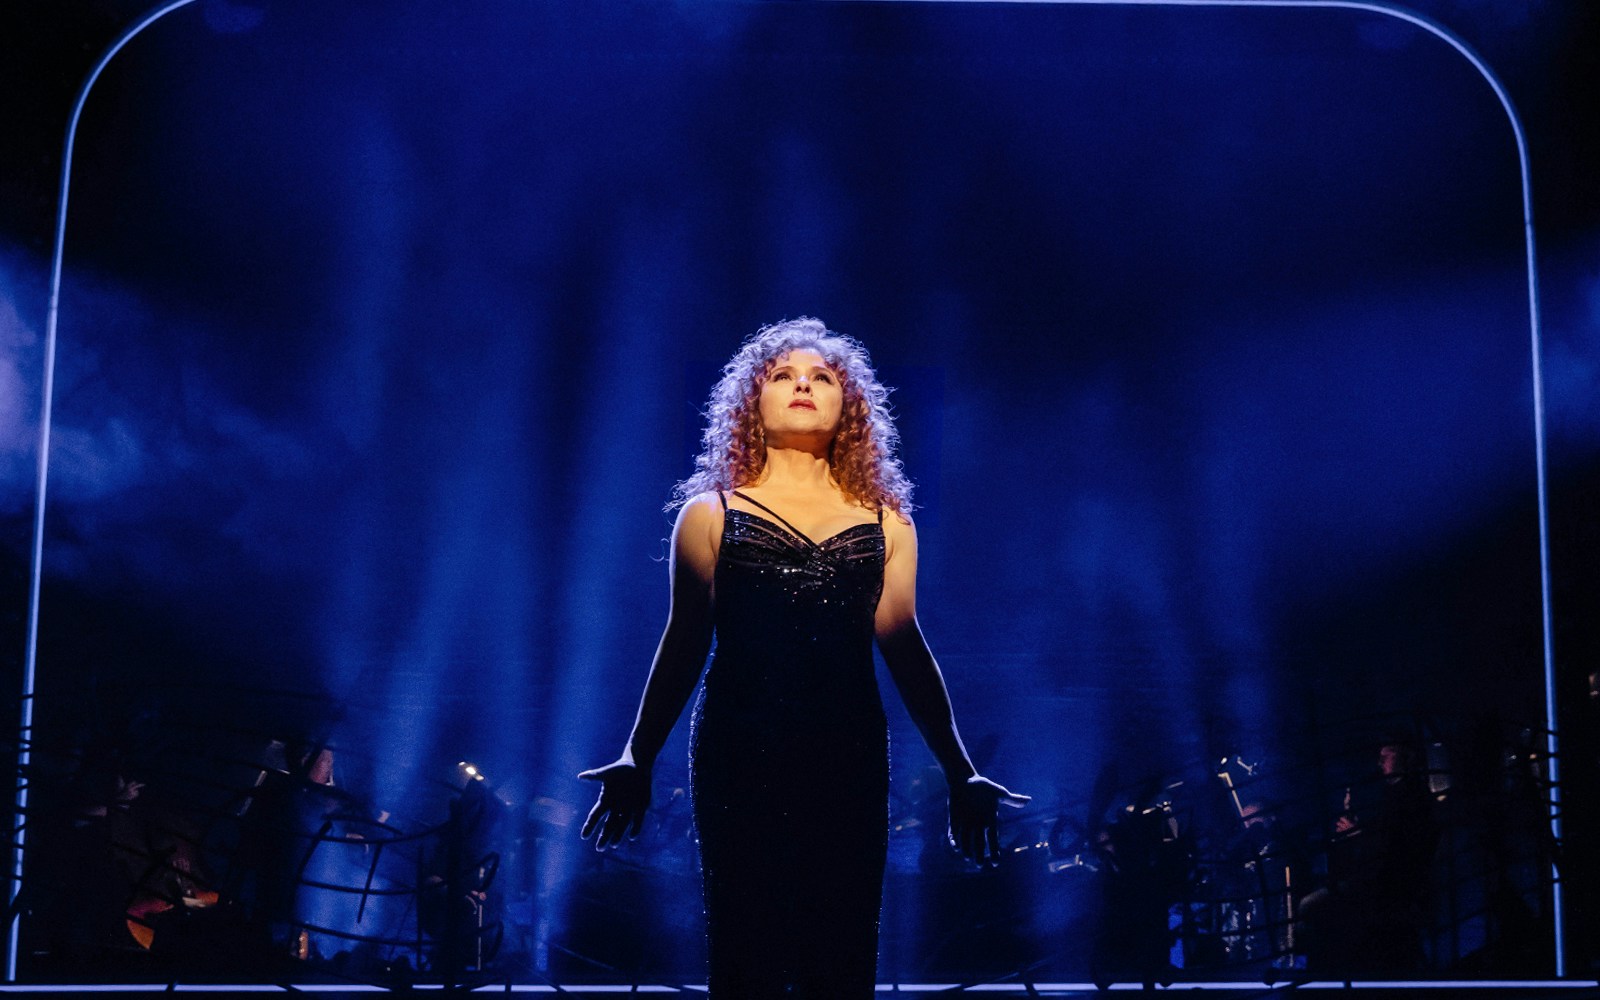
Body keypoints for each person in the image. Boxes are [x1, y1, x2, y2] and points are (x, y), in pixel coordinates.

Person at [578, 317, 1027, 998]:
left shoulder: (886, 521)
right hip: (739, 745)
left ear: (849, 405)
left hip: (846, 746)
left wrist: (960, 771)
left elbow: (905, 645)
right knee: (745, 943)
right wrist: (638, 755)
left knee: (841, 947)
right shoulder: (709, 513)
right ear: (750, 401)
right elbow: (683, 641)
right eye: (783, 375)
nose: (803, 386)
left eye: (821, 377)